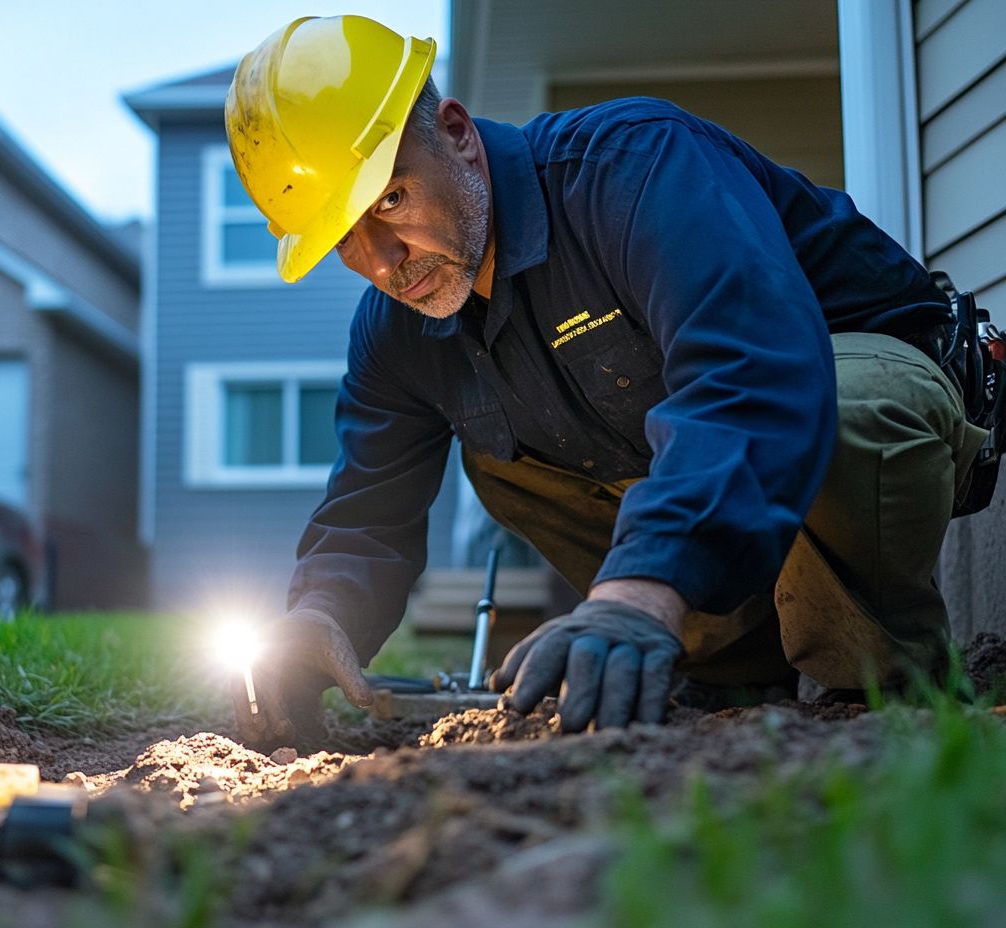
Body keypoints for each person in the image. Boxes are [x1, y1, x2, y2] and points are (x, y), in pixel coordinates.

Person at [222, 14, 989, 747]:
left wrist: (637, 591)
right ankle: (726, 677)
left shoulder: (633, 168)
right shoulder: (395, 334)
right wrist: (320, 614)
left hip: (873, 382)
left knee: (849, 406)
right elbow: (368, 508)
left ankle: (883, 694)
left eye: (390, 200)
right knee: (502, 465)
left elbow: (752, 372)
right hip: (725, 478)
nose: (386, 261)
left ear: (456, 134)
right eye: (345, 240)